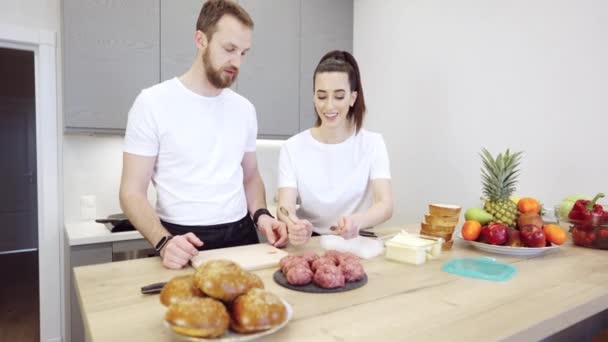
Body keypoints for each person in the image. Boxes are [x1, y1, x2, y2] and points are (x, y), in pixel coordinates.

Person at [119, 0, 287, 270]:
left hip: (242, 236)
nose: (237, 62)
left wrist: (262, 215)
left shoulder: (244, 109)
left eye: (244, 53)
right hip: (182, 240)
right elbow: (131, 192)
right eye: (229, 49)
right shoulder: (152, 103)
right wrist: (163, 242)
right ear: (201, 40)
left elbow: (251, 176)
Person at [276, 50, 394, 245]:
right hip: (311, 242)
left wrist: (357, 221)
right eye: (322, 96)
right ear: (314, 98)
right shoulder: (292, 147)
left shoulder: (373, 143)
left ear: (352, 98)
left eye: (339, 97)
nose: (329, 106)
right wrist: (293, 224)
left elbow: (386, 204)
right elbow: (285, 205)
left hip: (357, 240)